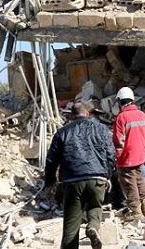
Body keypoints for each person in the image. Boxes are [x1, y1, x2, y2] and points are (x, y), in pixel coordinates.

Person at [44, 102, 114, 249]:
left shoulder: (62, 132)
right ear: (87, 114)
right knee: (95, 205)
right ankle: (93, 226)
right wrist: (107, 176)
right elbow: (110, 154)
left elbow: (51, 160)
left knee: (71, 225)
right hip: (97, 179)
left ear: (71, 115)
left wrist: (49, 183)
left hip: (72, 180)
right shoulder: (101, 129)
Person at [112, 86, 145, 221]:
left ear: (120, 101)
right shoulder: (142, 115)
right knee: (140, 180)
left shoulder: (121, 118)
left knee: (129, 183)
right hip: (140, 156)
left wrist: (117, 157)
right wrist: (144, 149)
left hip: (126, 158)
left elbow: (119, 141)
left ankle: (136, 211)